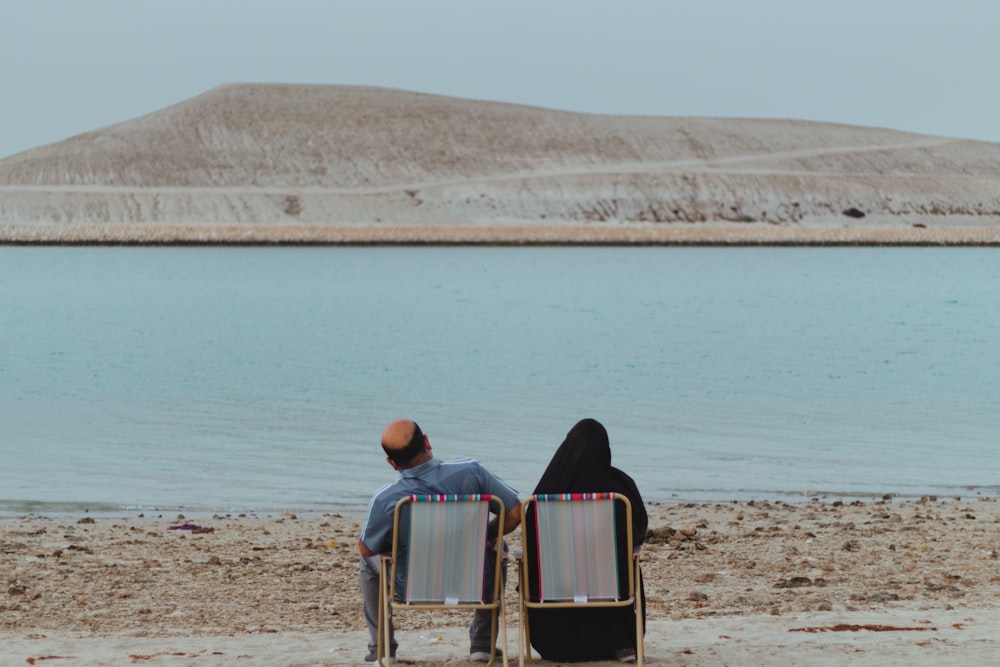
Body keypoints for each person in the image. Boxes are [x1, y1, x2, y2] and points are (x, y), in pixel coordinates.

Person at [359, 419, 521, 663]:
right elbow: (515, 513)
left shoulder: (386, 498)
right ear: (427, 441)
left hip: (411, 585)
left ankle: (381, 651)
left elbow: (366, 547)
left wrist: (398, 548)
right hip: (473, 580)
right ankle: (483, 645)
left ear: (392, 464)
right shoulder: (472, 471)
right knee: (498, 547)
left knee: (367, 561)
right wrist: (483, 536)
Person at [524, 418, 648, 663]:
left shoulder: (546, 494)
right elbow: (639, 530)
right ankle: (622, 643)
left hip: (555, 631)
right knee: (626, 562)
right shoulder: (619, 488)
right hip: (611, 591)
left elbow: (531, 540)